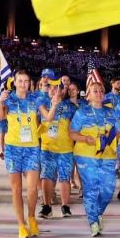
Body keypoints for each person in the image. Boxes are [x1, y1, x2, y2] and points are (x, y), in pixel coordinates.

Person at [0, 70, 50, 238]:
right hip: (13, 149)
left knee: (32, 189)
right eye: (20, 81)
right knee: (16, 189)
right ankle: (21, 224)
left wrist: (55, 103)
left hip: (32, 148)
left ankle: (31, 217)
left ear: (30, 83)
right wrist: (0, 102)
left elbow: (47, 117)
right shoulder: (8, 98)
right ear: (15, 82)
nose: (23, 84)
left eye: (26, 81)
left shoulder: (35, 99)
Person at [70, 81, 119, 236]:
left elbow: (118, 132)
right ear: (88, 95)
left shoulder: (111, 112)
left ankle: (97, 213)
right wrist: (85, 138)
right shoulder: (82, 112)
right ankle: (93, 222)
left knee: (108, 190)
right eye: (95, 91)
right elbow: (72, 133)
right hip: (86, 156)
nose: (99, 93)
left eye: (101, 91)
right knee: (91, 189)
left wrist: (109, 138)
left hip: (107, 156)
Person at [40, 79, 77, 218]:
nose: (52, 90)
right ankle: (46, 206)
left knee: (64, 178)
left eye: (56, 88)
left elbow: (77, 126)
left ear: (62, 91)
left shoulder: (70, 107)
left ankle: (65, 206)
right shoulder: (42, 104)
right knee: (46, 177)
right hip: (47, 148)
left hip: (65, 149)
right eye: (50, 87)